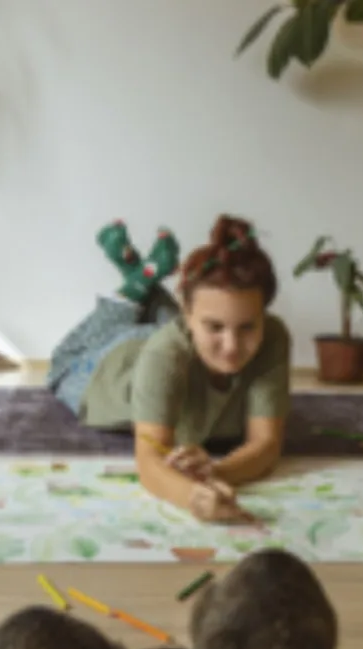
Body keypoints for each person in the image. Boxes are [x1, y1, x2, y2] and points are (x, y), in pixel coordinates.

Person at [47, 214, 291, 523]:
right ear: (186, 314)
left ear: (263, 315)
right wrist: (194, 498)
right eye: (215, 326)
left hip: (173, 343)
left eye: (247, 328)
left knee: (168, 330)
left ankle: (143, 276)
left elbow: (266, 443)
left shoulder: (273, 335)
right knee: (63, 360)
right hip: (105, 367)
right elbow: (150, 459)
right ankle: (136, 284)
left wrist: (215, 472)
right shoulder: (164, 353)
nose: (231, 346)